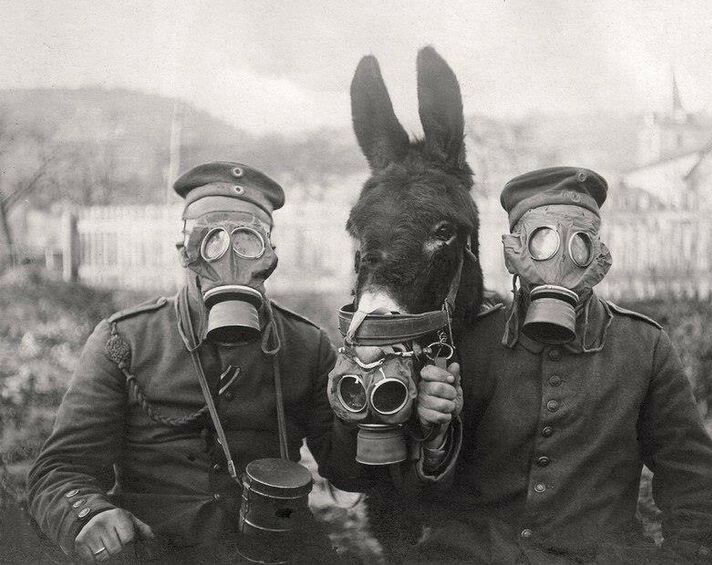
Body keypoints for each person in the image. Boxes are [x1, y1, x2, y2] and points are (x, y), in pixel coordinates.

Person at [27, 161, 457, 564]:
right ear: (185, 250)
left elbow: (348, 473)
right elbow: (60, 468)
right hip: (156, 548)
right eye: (210, 240)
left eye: (248, 241)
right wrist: (89, 516)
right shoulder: (125, 340)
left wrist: (387, 418)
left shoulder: (304, 345)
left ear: (269, 256)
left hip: (275, 545)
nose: (229, 257)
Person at [409, 167, 712, 564]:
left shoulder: (642, 346)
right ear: (514, 251)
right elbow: (423, 495)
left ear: (599, 255)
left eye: (579, 243)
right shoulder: (469, 344)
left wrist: (690, 556)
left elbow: (690, 475)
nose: (561, 258)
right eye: (542, 240)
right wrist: (435, 437)